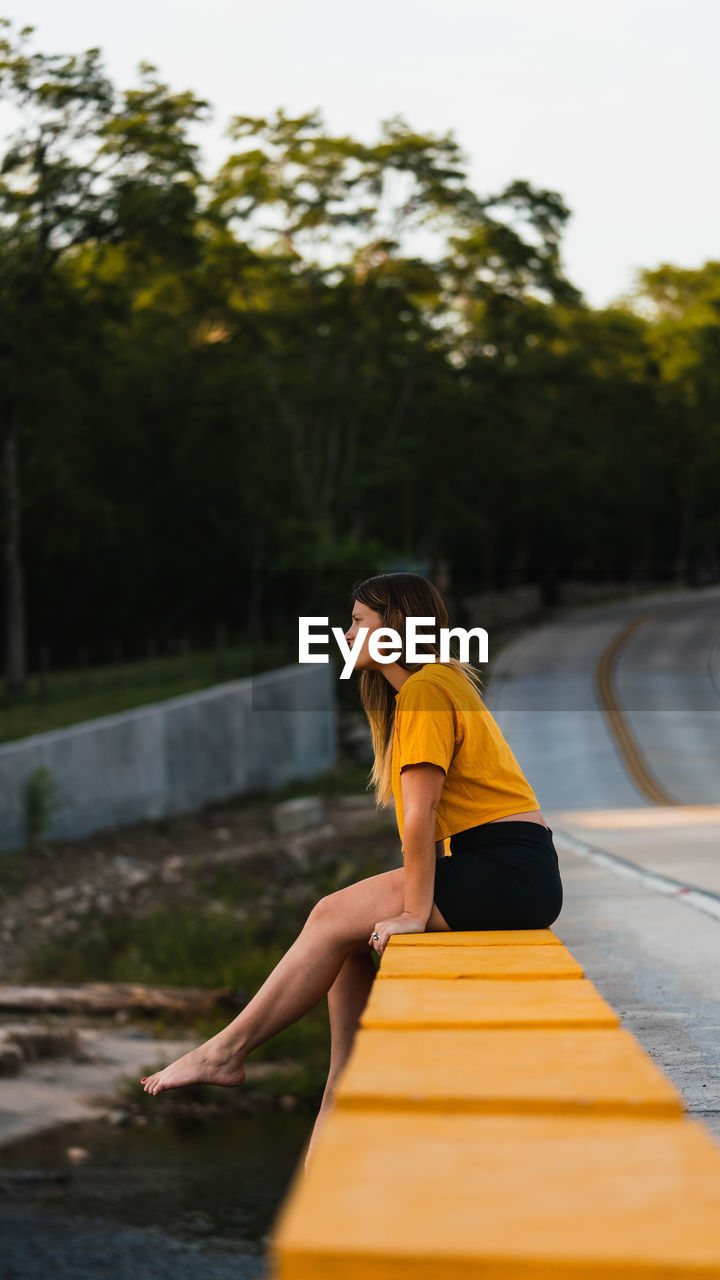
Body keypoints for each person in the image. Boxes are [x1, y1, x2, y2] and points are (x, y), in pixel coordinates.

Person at [139, 571, 563, 1171]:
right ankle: (337, 1105)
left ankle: (226, 1051)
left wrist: (414, 913)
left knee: (330, 913)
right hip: (502, 865)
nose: (346, 632)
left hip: (507, 866)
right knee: (343, 946)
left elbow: (419, 818)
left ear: (394, 630)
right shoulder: (425, 688)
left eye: (359, 621)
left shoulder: (426, 690)